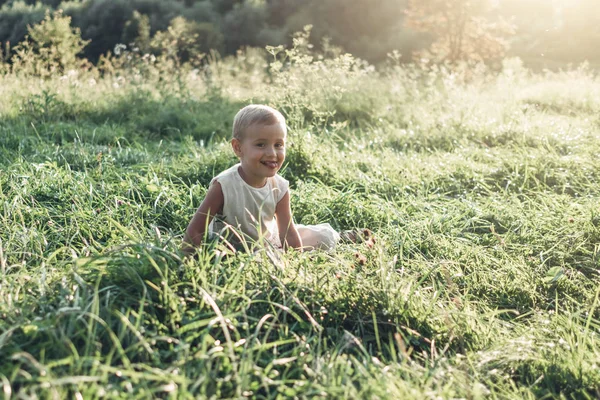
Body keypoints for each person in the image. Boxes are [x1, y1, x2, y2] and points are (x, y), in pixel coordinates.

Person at [182, 104, 341, 254]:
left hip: (268, 240)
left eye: (278, 145)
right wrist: (186, 262)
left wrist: (295, 262)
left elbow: (287, 231)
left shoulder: (279, 187)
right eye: (260, 145)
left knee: (323, 237)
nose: (272, 153)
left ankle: (345, 236)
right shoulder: (224, 185)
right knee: (267, 257)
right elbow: (196, 229)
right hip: (229, 249)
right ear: (238, 147)